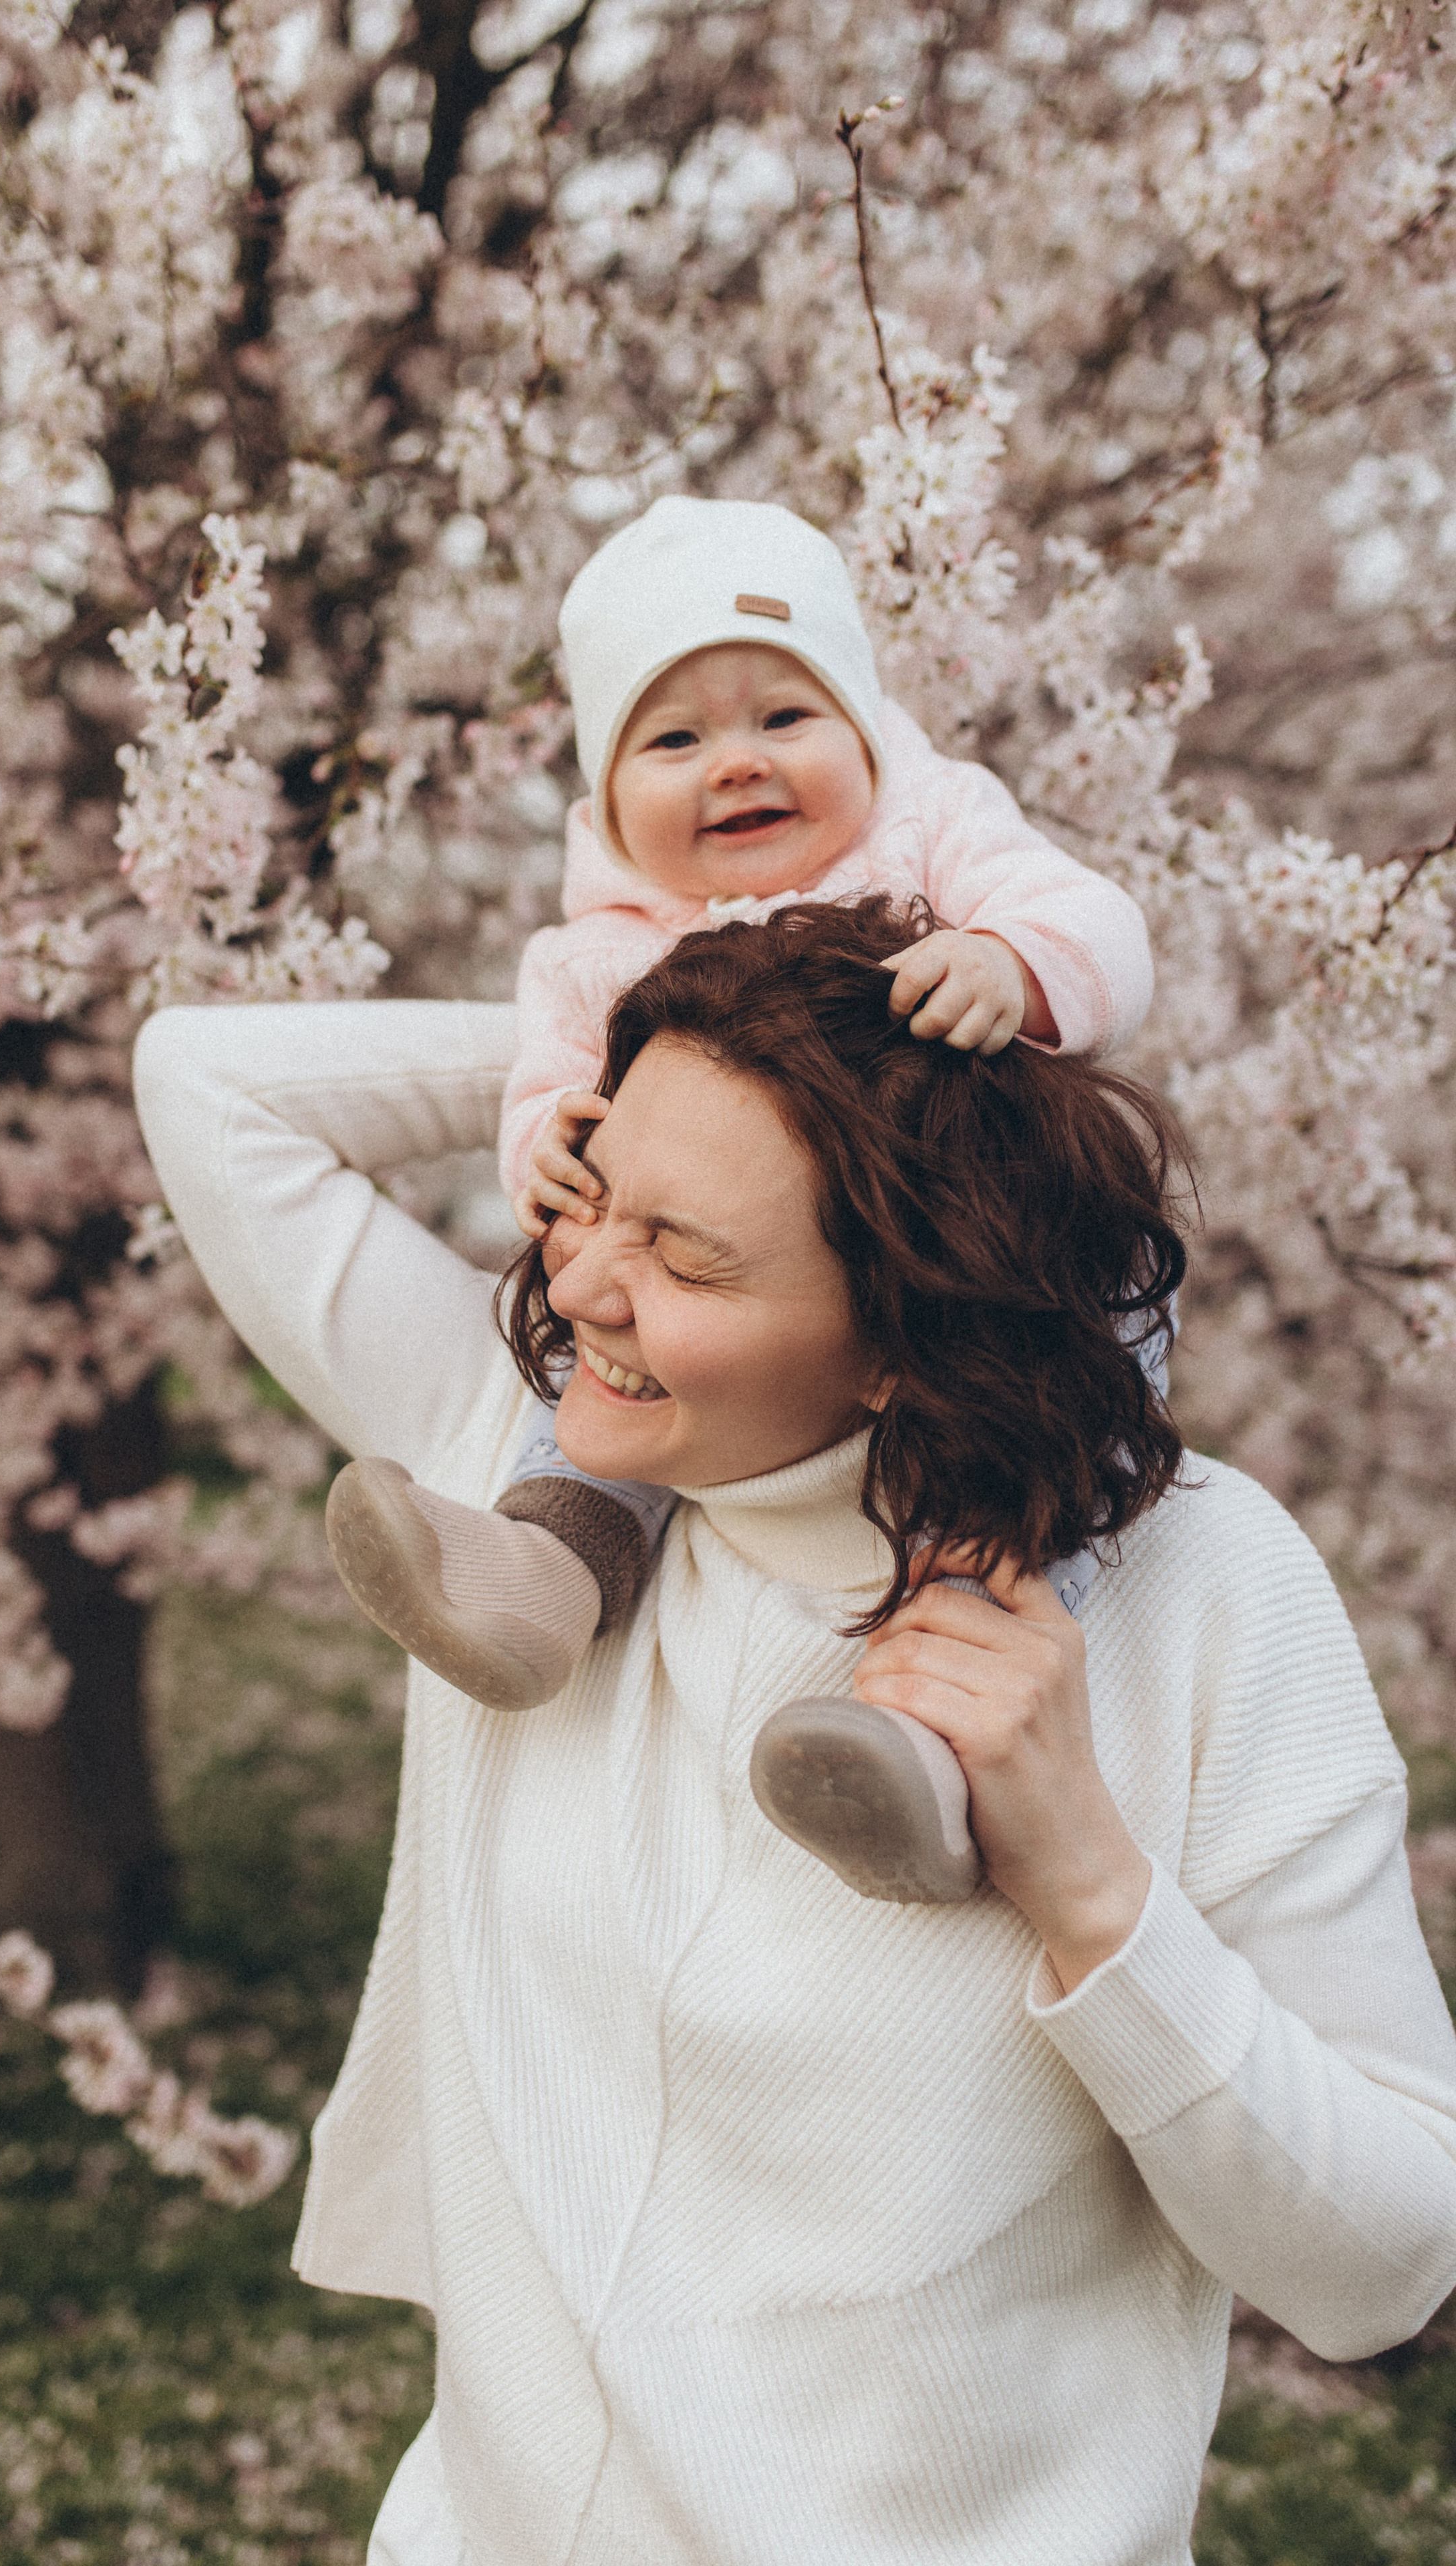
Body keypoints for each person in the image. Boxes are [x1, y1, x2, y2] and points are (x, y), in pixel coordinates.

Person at [134, 903, 1456, 2566]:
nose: (583, 1281)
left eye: (687, 1256)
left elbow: (1382, 2264)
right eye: (591, 1192)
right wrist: (613, 1021)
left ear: (907, 1330)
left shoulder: (1193, 1589)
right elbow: (204, 1080)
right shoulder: (525, 1496)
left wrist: (1090, 1890)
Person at [319, 498, 1159, 1866]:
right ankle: (543, 1581)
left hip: (986, 1259)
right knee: (597, 1351)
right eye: (674, 739)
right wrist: (549, 1144)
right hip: (732, 1312)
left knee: (1033, 1425)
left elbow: (1099, 927)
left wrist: (1013, 964)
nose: (735, 765)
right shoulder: (595, 954)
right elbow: (549, 1091)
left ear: (864, 732)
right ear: (603, 800)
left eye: (783, 717)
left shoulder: (930, 827)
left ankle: (941, 1737)